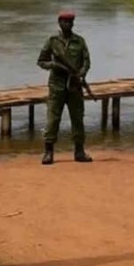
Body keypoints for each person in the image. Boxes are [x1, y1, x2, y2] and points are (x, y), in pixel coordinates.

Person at [36, 10, 93, 165]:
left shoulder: (79, 41)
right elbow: (41, 61)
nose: (67, 24)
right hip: (57, 86)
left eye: (70, 22)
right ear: (59, 23)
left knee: (78, 119)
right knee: (53, 120)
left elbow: (86, 62)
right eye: (64, 22)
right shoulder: (52, 41)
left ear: (73, 24)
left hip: (74, 87)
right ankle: (48, 153)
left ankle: (79, 152)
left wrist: (80, 74)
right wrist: (53, 65)